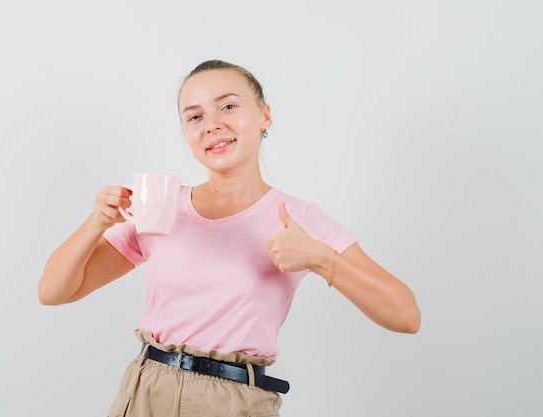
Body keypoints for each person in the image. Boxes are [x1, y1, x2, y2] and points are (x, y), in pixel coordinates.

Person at [38, 59, 421, 417]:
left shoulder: (298, 219)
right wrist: (96, 223)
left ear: (264, 116)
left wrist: (321, 258)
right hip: (147, 389)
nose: (211, 124)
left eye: (228, 107)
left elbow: (406, 316)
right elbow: (54, 292)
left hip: (235, 401)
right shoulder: (162, 207)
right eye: (195, 116)